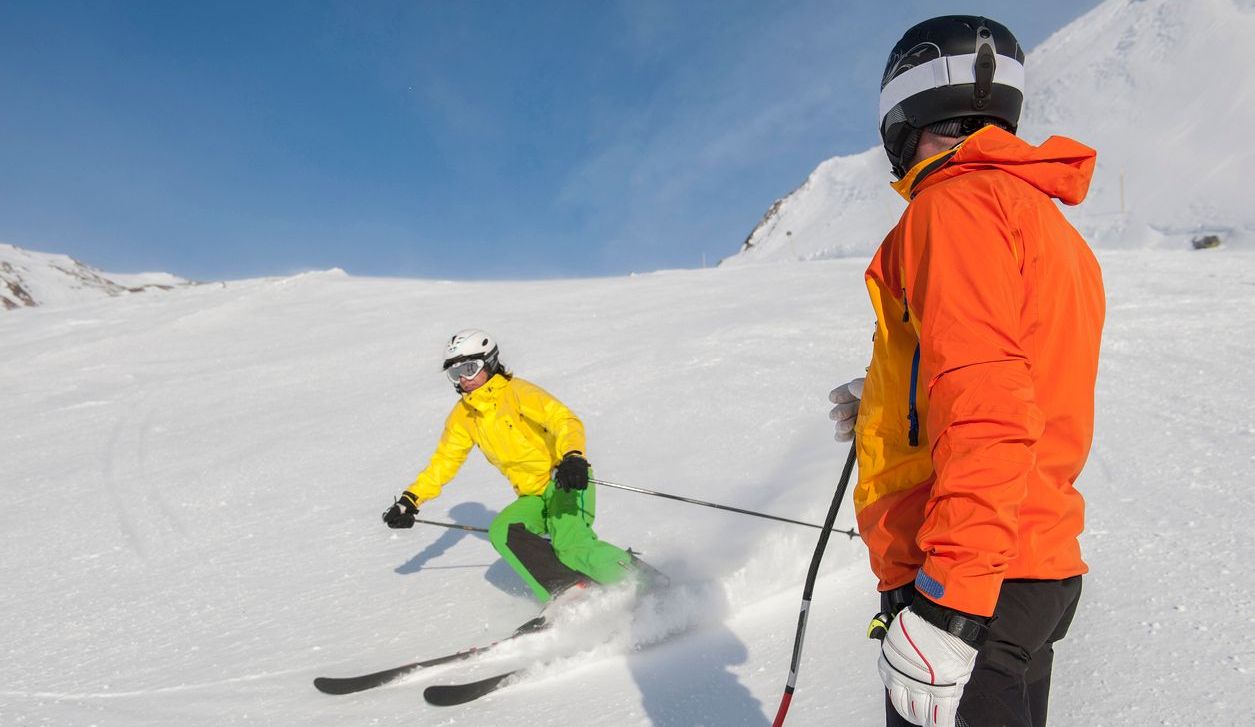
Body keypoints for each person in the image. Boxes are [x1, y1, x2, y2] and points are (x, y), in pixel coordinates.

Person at [828, 16, 1105, 727]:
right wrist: (887, 398)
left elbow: (990, 403)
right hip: (1027, 565)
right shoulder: (1039, 219)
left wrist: (950, 601)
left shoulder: (951, 207)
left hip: (973, 580)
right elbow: (1023, 371)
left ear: (900, 118)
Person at [383, 329, 643, 605]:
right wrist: (410, 500)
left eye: (469, 369)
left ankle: (643, 582)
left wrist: (573, 457)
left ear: (490, 362)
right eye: (455, 373)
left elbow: (564, 420)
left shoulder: (517, 393)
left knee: (570, 544)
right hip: (532, 496)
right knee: (503, 531)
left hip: (564, 479)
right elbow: (443, 462)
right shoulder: (464, 416)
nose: (463, 379)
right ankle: (569, 591)